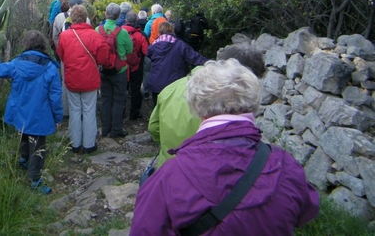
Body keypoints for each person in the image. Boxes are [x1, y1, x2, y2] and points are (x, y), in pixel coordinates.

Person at [131, 58, 319, 235]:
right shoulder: (285, 166)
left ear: (196, 106)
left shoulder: (169, 176)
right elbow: (306, 209)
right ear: (254, 103)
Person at [148, 44, 267, 168]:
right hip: (208, 171)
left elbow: (153, 128)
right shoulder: (230, 104)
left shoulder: (170, 90)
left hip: (169, 166)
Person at [0, 30, 62, 195]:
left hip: (20, 111)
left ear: (26, 45)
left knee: (24, 132)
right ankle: (35, 180)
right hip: (40, 115)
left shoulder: (16, 64)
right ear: (43, 46)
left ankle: (24, 159)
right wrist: (58, 117)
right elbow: (55, 97)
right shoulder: (50, 68)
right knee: (38, 148)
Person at [57, 5, 110, 154]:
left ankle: (75, 143)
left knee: (74, 110)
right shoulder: (94, 35)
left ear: (72, 18)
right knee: (89, 111)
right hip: (90, 79)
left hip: (72, 78)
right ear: (86, 17)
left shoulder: (64, 36)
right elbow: (102, 58)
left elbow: (61, 55)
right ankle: (89, 144)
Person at [145, 21, 207, 106]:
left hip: (157, 84)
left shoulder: (152, 47)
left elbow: (148, 55)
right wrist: (211, 64)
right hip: (175, 84)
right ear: (172, 31)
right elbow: (195, 58)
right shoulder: (180, 45)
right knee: (173, 109)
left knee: (158, 109)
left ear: (159, 32)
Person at [97, 3, 133, 138]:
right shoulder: (122, 32)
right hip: (119, 70)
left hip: (103, 70)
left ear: (106, 14)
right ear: (118, 16)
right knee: (119, 99)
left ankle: (105, 128)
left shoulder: (97, 30)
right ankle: (116, 129)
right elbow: (130, 50)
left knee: (106, 98)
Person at [53, 0, 86, 117]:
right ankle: (81, 109)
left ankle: (66, 111)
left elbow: (55, 36)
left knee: (66, 81)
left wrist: (61, 50)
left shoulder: (59, 17)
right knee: (83, 80)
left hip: (66, 55)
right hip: (83, 55)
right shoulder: (86, 19)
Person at [121, 10, 148, 120]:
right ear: (136, 19)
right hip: (136, 66)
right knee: (136, 90)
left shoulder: (120, 32)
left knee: (122, 89)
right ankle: (134, 113)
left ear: (126, 20)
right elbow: (147, 51)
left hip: (122, 66)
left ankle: (121, 112)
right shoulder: (140, 34)